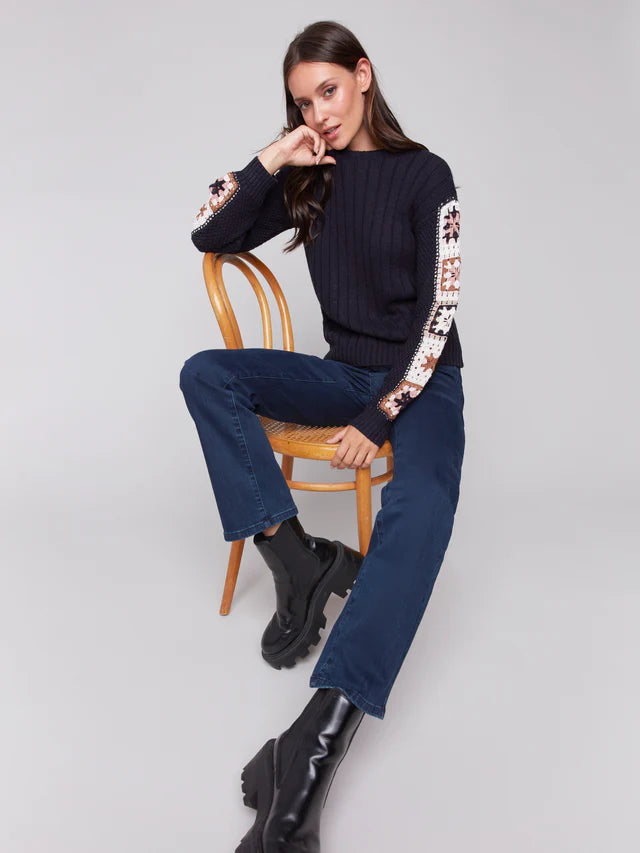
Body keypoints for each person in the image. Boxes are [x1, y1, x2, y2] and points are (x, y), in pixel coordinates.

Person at [179, 19, 465, 853]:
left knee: (424, 504)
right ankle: (296, 556)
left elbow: (440, 311)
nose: (320, 113)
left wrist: (383, 415)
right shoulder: (312, 173)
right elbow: (207, 229)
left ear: (364, 76)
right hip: (344, 372)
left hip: (423, 382)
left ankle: (309, 751)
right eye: (304, 102)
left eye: (330, 91)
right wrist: (275, 158)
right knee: (206, 373)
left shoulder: (427, 175)